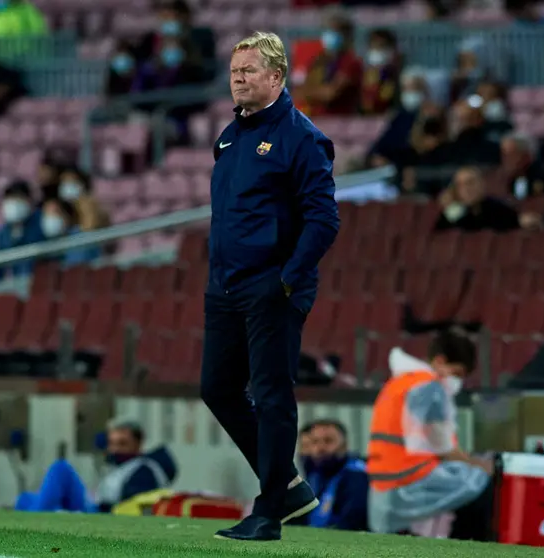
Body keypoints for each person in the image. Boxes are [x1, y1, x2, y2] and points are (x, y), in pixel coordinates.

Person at [201, 31, 340, 542]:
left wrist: (287, 280)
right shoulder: (229, 136)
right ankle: (289, 487)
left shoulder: (301, 137)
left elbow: (324, 219)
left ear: (277, 77)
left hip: (271, 287)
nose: (238, 78)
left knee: (272, 393)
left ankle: (268, 511)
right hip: (225, 286)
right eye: (234, 71)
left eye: (249, 71)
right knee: (215, 387)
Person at [367, 330, 495, 541]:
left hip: (383, 481)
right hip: (409, 479)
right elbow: (442, 448)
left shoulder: (398, 383)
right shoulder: (430, 387)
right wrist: (481, 466)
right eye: (457, 373)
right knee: (482, 483)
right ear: (440, 361)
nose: (457, 382)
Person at [15, 421, 177, 513]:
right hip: (95, 506)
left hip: (101, 513)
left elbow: (131, 506)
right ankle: (39, 517)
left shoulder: (144, 470)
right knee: (25, 498)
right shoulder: (120, 467)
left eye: (122, 444)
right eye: (112, 444)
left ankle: (41, 518)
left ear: (138, 444)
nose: (115, 450)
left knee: (61, 468)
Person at [302, 420, 368, 531]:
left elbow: (352, 522)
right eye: (315, 442)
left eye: (328, 441)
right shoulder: (318, 474)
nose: (320, 448)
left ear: (344, 445)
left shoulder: (356, 474)